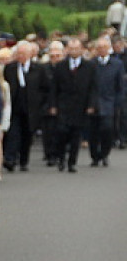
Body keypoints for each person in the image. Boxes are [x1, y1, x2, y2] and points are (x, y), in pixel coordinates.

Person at [47, 37, 97, 173]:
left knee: (76, 135)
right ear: (67, 50)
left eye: (77, 48)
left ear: (82, 50)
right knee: (62, 133)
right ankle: (61, 158)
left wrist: (92, 105)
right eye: (71, 49)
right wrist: (53, 105)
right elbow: (54, 88)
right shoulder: (60, 66)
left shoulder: (90, 66)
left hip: (80, 106)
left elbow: (93, 87)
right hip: (63, 105)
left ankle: (71, 162)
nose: (74, 51)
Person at [2, 40, 49, 172]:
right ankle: (10, 159)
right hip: (15, 105)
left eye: (23, 53)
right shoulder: (10, 68)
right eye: (18, 53)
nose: (20, 56)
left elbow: (45, 88)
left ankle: (24, 160)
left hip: (31, 107)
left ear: (30, 54)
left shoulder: (39, 69)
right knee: (13, 133)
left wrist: (42, 103)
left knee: (27, 134)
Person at [90, 35, 125, 166]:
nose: (102, 49)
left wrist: (118, 103)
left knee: (107, 129)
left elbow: (120, 86)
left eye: (104, 47)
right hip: (93, 103)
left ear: (109, 48)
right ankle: (94, 156)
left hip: (110, 102)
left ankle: (104, 153)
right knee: (93, 131)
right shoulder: (91, 64)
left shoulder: (117, 64)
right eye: (99, 47)